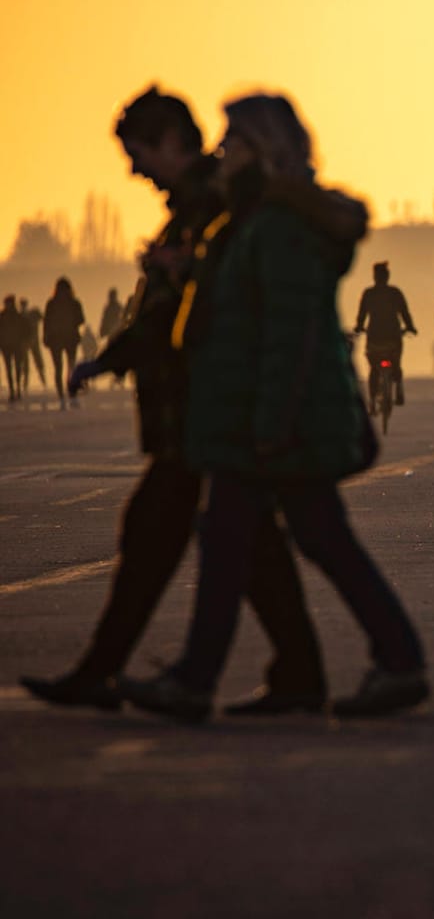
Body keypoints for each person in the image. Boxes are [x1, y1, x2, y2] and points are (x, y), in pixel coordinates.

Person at [118, 92, 427, 721]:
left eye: (232, 141)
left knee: (268, 538)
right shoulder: (254, 219)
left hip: (275, 419)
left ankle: (199, 680)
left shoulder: (281, 227)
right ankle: (392, 662)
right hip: (262, 415)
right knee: (293, 538)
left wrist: (271, 425)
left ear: (260, 151)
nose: (221, 152)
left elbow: (289, 336)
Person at [20, 86, 326, 716]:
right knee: (238, 540)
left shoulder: (216, 206)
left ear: (167, 144)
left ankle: (127, 675)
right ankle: (296, 673)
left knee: (192, 532)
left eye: (137, 152)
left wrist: (123, 343)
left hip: (207, 403)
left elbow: (211, 301)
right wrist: (113, 355)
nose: (133, 169)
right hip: (197, 403)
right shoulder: (200, 207)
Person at [353, 260, 417, 410]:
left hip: (374, 337)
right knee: (396, 363)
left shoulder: (368, 293)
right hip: (393, 337)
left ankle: (373, 401)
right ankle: (399, 389)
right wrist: (410, 327)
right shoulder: (395, 292)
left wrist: (359, 327)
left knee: (374, 368)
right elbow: (404, 313)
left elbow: (362, 315)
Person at [41, 277, 86, 408]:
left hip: (55, 340)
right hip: (70, 339)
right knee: (71, 368)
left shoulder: (51, 303)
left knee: (58, 368)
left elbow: (46, 322)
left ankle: (61, 396)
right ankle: (71, 394)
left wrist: (45, 337)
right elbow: (81, 319)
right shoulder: (74, 303)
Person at [0, 295, 28, 402]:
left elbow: (26, 331)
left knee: (16, 369)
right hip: (8, 347)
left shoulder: (17, 317)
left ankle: (17, 389)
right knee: (10, 369)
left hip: (16, 346)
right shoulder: (6, 317)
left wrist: (24, 341)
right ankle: (13, 390)